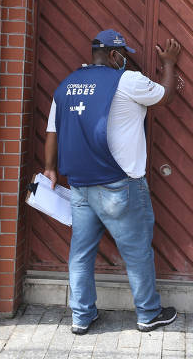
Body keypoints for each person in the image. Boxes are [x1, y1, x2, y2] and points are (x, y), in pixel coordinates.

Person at [41, 29, 181, 335]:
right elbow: (166, 95)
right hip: (120, 185)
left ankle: (81, 317)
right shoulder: (128, 80)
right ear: (115, 56)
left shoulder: (66, 85)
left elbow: (53, 131)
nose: (126, 61)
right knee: (137, 251)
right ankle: (148, 313)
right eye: (125, 56)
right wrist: (169, 64)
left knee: (80, 253)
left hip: (80, 185)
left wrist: (50, 169)